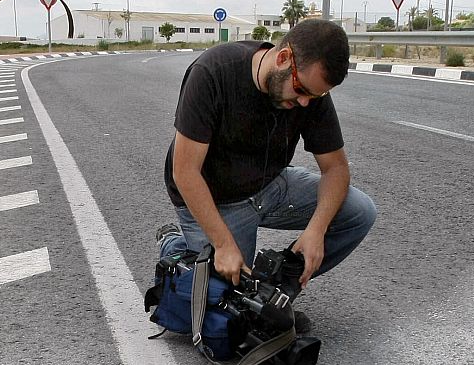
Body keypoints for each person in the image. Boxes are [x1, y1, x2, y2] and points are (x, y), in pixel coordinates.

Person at [161, 18, 375, 313]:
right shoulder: (213, 72)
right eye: (300, 90)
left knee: (359, 211)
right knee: (210, 309)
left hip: (270, 187)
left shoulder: (309, 93)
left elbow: (336, 169)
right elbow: (184, 171)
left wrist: (316, 230)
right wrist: (223, 246)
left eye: (315, 96)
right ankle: (175, 245)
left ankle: (273, 289)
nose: (304, 103)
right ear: (284, 57)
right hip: (216, 199)